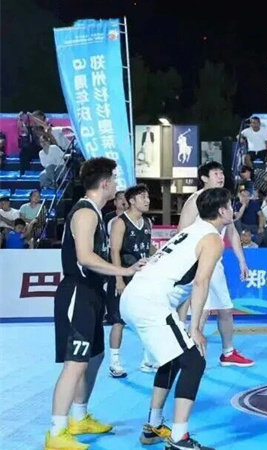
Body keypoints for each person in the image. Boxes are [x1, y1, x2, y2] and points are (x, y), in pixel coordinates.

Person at [121, 188, 233, 450]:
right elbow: (201, 282)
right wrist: (195, 327)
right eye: (230, 205)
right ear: (221, 211)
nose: (233, 209)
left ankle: (153, 425)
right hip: (150, 302)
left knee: (173, 358)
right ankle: (179, 438)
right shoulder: (212, 239)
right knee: (194, 360)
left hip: (135, 296)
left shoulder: (193, 230)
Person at [46, 157, 144, 450]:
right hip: (77, 293)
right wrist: (123, 271)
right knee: (74, 364)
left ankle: (78, 417)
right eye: (114, 180)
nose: (116, 186)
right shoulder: (86, 213)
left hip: (92, 294)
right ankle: (56, 432)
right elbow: (85, 257)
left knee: (95, 356)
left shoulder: (98, 214)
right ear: (104, 184)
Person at [176, 161, 254, 367]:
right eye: (215, 173)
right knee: (201, 311)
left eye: (221, 173)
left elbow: (232, 232)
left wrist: (242, 260)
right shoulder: (195, 200)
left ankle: (228, 352)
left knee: (225, 308)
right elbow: (181, 232)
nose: (220, 176)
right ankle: (191, 355)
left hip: (216, 263)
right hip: (198, 263)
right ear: (204, 178)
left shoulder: (224, 200)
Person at [108, 184, 154, 379]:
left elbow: (149, 248)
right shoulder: (120, 223)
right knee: (118, 321)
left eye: (148, 197)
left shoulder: (147, 222)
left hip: (142, 279)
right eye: (143, 197)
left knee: (147, 318)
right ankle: (114, 362)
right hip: (124, 277)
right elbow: (114, 251)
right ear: (132, 201)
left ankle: (148, 360)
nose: (147, 200)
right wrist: (119, 279)